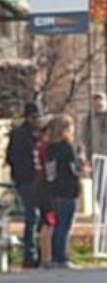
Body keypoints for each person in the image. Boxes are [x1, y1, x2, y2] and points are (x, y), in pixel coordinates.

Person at [42, 113, 85, 268]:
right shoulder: (67, 146)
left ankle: (55, 257)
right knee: (65, 225)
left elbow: (50, 172)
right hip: (68, 188)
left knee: (58, 223)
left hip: (55, 189)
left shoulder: (50, 148)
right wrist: (81, 166)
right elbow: (74, 169)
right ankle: (62, 257)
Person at [4, 100, 44, 268]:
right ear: (29, 117)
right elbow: (17, 157)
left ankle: (34, 252)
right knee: (32, 216)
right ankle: (32, 253)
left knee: (35, 216)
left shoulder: (24, 133)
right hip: (28, 179)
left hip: (25, 179)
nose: (37, 120)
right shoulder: (25, 135)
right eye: (35, 117)